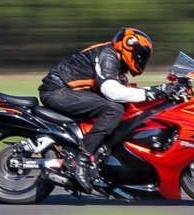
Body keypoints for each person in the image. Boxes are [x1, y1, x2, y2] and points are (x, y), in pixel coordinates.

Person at [39, 28, 175, 193]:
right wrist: (154, 92)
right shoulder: (108, 56)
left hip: (68, 92)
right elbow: (111, 90)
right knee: (113, 109)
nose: (142, 59)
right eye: (141, 54)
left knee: (123, 107)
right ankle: (82, 161)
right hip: (56, 91)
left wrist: (161, 90)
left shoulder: (117, 64)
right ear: (129, 47)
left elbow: (128, 91)